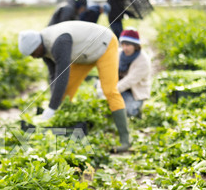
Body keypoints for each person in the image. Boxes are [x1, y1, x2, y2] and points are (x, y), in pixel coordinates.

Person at [18, 21, 131, 153]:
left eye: (33, 53)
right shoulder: (43, 49)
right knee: (65, 94)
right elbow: (53, 76)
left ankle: (125, 140)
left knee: (109, 91)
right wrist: (52, 104)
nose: (33, 57)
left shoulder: (59, 42)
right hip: (83, 55)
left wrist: (51, 108)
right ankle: (62, 130)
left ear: (38, 45)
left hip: (104, 45)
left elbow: (62, 75)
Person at [117, 28, 151, 117]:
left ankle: (137, 108)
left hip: (134, 92)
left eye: (128, 45)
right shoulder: (118, 54)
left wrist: (111, 92)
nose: (124, 48)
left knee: (127, 111)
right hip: (119, 88)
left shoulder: (143, 61)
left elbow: (129, 81)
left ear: (135, 46)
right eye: (123, 44)